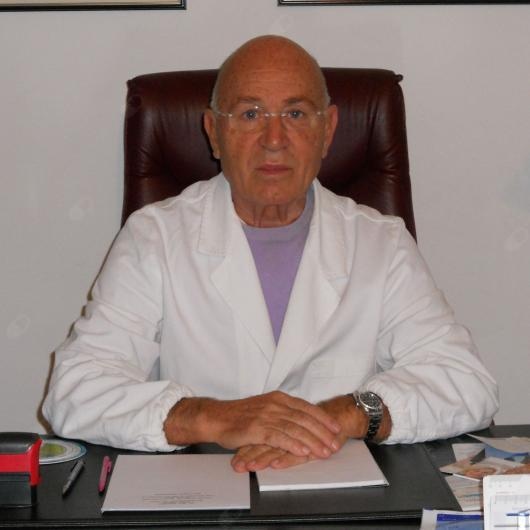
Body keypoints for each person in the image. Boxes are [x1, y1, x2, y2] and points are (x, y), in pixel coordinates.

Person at [42, 35, 499, 473]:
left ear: (328, 131)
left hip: (340, 493)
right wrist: (212, 417)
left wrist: (348, 414)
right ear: (214, 132)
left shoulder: (382, 243)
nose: (274, 138)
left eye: (296, 113)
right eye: (250, 113)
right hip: (200, 494)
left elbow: (466, 383)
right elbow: (75, 392)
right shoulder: (154, 237)